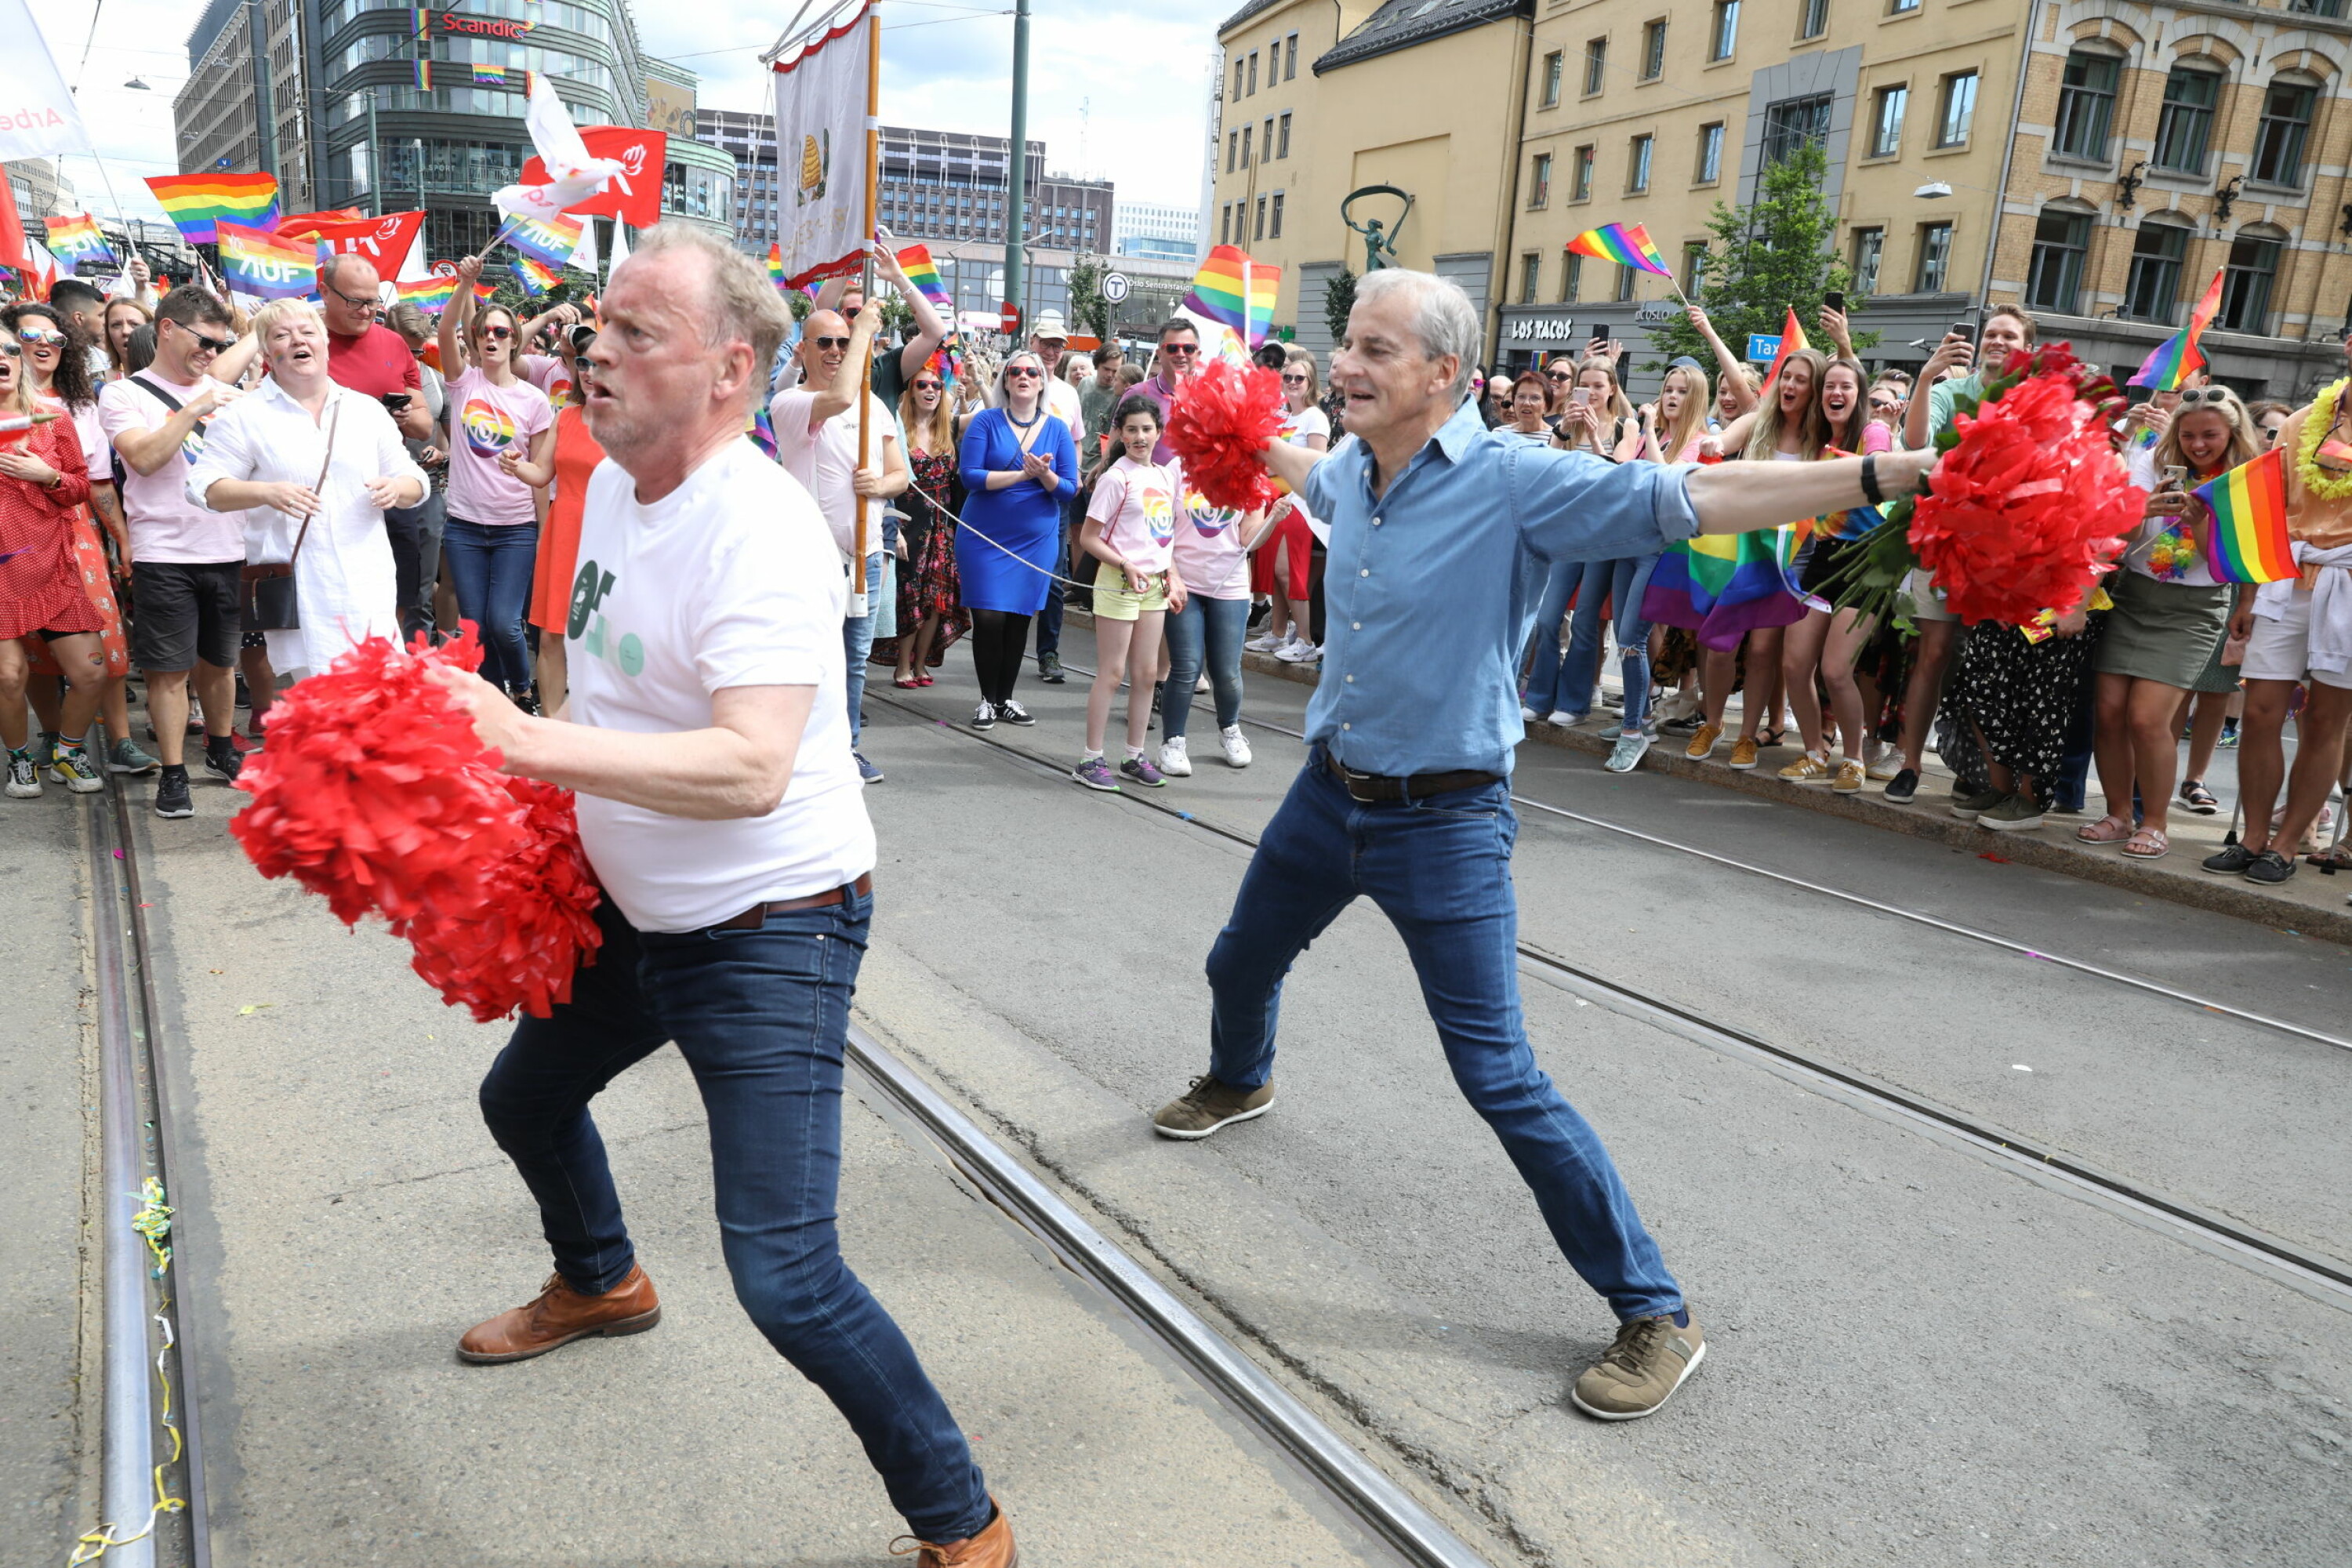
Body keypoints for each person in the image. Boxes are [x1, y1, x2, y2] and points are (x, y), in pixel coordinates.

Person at [1149, 267, 1936, 1422]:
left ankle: (1657, 1310)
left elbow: (1701, 499)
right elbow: (1305, 473)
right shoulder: (1357, 473)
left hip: (1446, 824)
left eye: (1375, 348)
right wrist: (1238, 439)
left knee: (1499, 1076)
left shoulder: (1519, 483)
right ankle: (1240, 1077)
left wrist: (1892, 471)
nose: (1348, 366)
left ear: (1445, 375)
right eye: (1347, 344)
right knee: (1237, 961)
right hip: (1327, 797)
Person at [423, 225, 1014, 1568]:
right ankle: (602, 1280)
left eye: (638, 332)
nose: (596, 349)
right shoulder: (623, 484)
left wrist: (519, 742)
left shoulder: (760, 529)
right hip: (637, 908)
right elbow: (611, 689)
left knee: (789, 1279)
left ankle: (963, 1526)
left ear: (731, 369)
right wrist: (533, 805)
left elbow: (750, 767)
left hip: (769, 931)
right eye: (599, 327)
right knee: (522, 1095)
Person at [187, 299, 425, 680]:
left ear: (325, 343)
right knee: (325, 716)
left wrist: (396, 487)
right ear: (266, 352)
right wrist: (266, 493)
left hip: (368, 587)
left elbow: (416, 481)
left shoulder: (365, 411)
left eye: (307, 332)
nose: (298, 340)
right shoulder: (244, 416)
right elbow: (203, 488)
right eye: (282, 335)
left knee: (381, 714)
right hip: (305, 593)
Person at [2080, 384, 2259, 859]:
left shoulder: (2244, 479)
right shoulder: (2152, 463)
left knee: (2147, 718)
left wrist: (2200, 519)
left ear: (2232, 433)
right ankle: (2118, 814)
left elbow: (2229, 564)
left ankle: (2155, 822)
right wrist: (2143, 509)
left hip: (2196, 609)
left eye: (2210, 436)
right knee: (2111, 711)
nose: (2198, 445)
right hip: (2137, 597)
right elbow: (2116, 535)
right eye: (2189, 436)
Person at [98, 285, 249, 819]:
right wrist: (197, 407)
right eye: (203, 341)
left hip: (226, 546)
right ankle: (173, 773)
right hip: (164, 551)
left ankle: (222, 748)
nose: (210, 353)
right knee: (168, 672)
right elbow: (142, 458)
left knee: (221, 664)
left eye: (219, 344)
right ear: (166, 329)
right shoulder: (124, 394)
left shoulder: (229, 391)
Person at [1879, 307, 2037, 804]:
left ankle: (1979, 769)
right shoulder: (1951, 391)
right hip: (1945, 546)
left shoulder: (2038, 399)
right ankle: (1910, 763)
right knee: (1935, 654)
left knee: (1989, 666)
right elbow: (1916, 443)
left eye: (2008, 336)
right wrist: (1927, 377)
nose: (1996, 341)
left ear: (2026, 346)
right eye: (1990, 333)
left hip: (2007, 558)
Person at [2210, 367, 2352, 883]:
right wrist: (2249, 593)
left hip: (2350, 583)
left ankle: (2287, 846)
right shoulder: (2301, 423)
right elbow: (2266, 506)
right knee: (2262, 712)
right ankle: (2252, 838)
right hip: (2286, 579)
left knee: (2324, 722)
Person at [2, 301, 150, 777]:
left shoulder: (75, 406)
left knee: (99, 651)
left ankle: (113, 741)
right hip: (8, 555)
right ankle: (40, 744)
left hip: (69, 540)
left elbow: (95, 483)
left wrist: (121, 538)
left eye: (57, 338)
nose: (44, 345)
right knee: (22, 661)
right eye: (27, 337)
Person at [770, 301, 909, 783]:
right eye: (825, 342)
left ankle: (847, 747)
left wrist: (879, 486)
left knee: (854, 661)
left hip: (865, 556)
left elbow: (898, 477)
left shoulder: (875, 406)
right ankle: (806, 746)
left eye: (844, 342)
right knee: (814, 657)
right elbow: (841, 398)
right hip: (814, 557)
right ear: (803, 349)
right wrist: (865, 330)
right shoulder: (790, 403)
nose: (835, 351)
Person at [0, 318, 110, 797]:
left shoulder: (52, 417)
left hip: (51, 565)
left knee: (91, 671)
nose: (1, 358)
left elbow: (82, 487)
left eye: (7, 349)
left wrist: (47, 475)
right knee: (8, 675)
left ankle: (67, 751)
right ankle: (20, 759)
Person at [440, 257, 557, 704]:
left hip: (516, 529)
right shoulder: (463, 383)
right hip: (465, 526)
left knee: (505, 623)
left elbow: (541, 476)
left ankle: (522, 690)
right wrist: (464, 284)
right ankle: (493, 703)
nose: (491, 337)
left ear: (514, 341)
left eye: (500, 332)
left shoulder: (534, 401)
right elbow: (445, 328)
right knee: (475, 623)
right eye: (484, 331)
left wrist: (544, 531)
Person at [1776, 355, 1887, 793]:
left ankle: (1854, 759)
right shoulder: (1815, 440)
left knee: (1837, 670)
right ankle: (1813, 753)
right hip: (1821, 559)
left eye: (1846, 387)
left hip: (1866, 565)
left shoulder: (1871, 431)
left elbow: (1878, 466)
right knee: (1795, 664)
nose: (1836, 394)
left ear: (1859, 395)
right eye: (1829, 387)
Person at [956, 350, 1076, 730]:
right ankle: (986, 700)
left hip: (1035, 540)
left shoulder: (1057, 428)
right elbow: (970, 476)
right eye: (1016, 372)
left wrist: (1044, 476)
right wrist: (1022, 477)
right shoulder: (986, 422)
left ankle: (1006, 698)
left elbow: (1070, 489)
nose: (1024, 377)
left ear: (1042, 382)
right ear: (1005, 380)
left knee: (1018, 620)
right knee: (989, 618)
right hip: (984, 536)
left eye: (1032, 372)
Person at [319, 256, 436, 635]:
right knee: (334, 602)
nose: (367, 311)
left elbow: (422, 424)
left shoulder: (394, 344)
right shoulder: (306, 343)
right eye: (356, 301)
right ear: (325, 292)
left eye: (373, 302)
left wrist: (398, 416)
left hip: (390, 490)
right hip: (327, 496)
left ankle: (388, 668)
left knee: (399, 595)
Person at [1073, 396, 1184, 789]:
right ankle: (1090, 759)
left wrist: (1172, 575)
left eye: (1147, 429)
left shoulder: (1166, 476)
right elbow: (1089, 538)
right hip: (1119, 583)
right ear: (1119, 433)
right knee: (1113, 671)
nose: (1140, 437)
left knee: (1147, 672)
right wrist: (1126, 565)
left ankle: (1134, 755)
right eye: (1132, 429)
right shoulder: (1115, 478)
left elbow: (1164, 535)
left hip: (1154, 585)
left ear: (1159, 432)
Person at [889, 361, 967, 689]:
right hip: (909, 524)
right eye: (922, 385)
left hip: (942, 527)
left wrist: (979, 381)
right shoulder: (895, 429)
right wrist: (893, 530)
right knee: (910, 596)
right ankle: (901, 667)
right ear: (910, 392)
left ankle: (920, 664)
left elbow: (998, 414)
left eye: (936, 385)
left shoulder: (948, 427)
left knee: (938, 598)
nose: (930, 391)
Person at [1249, 352, 1328, 662]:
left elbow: (1315, 466)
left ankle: (1305, 639)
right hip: (1273, 501)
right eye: (1288, 377)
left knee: (1287, 571)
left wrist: (1283, 481)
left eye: (1300, 378)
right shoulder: (1282, 416)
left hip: (1298, 503)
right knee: (1274, 572)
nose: (1293, 383)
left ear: (1311, 383)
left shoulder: (1315, 417)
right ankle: (1278, 634)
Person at [1132, 317, 1202, 462]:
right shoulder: (1137, 394)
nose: (1181, 354)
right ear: (1159, 354)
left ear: (1198, 354)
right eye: (1172, 348)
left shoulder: (1214, 397)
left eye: (1189, 349)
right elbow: (1114, 448)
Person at [102, 297, 153, 380]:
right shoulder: (95, 384)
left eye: (134, 324)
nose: (125, 331)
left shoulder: (174, 378)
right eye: (116, 325)